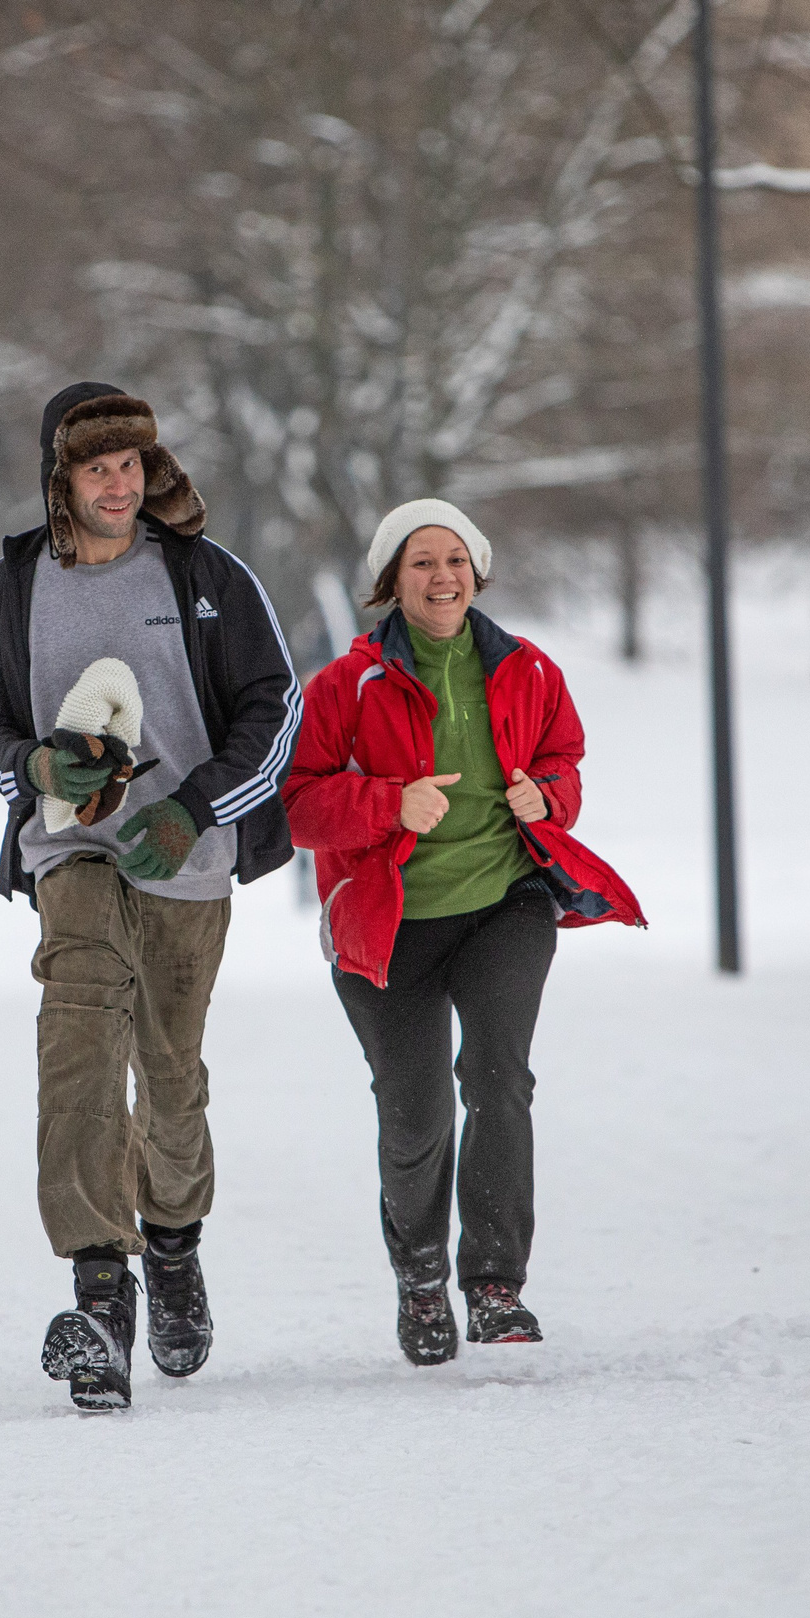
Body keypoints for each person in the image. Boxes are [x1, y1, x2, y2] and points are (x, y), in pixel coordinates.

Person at [0, 383, 300, 1411]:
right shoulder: (11, 590)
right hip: (73, 854)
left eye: (130, 465)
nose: (117, 485)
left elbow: (273, 708)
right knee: (78, 1048)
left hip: (186, 858)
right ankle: (101, 1296)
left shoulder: (204, 575)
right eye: (96, 468)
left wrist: (196, 809)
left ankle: (174, 1241)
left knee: (169, 1071)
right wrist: (35, 767)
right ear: (60, 480)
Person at [284, 501, 641, 1366]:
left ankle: (494, 1285)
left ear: (476, 572)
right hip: (388, 923)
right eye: (421, 562)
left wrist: (546, 796)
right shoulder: (345, 686)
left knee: (496, 1076)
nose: (442, 576)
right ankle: (419, 1276)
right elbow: (296, 804)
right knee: (416, 1114)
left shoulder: (529, 669)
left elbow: (564, 762)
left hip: (503, 905)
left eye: (455, 560)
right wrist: (388, 804)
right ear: (392, 581)